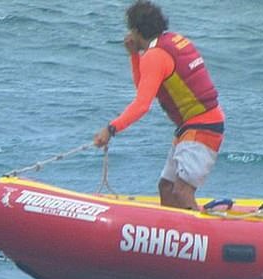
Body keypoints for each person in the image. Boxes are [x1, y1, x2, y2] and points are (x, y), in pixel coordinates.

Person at [93, 0, 225, 210]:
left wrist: (111, 129)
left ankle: (200, 235)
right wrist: (135, 56)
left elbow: (142, 104)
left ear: (136, 31)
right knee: (166, 187)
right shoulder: (173, 40)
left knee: (181, 191)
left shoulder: (155, 56)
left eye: (130, 30)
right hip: (192, 126)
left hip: (203, 127)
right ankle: (174, 234)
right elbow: (145, 89)